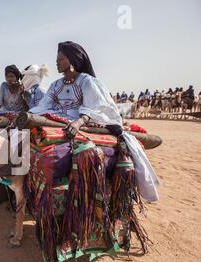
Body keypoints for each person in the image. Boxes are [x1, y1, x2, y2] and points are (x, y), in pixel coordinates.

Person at [29, 41, 158, 202]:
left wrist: (78, 122)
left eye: (61, 59)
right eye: (57, 59)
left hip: (83, 122)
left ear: (72, 61)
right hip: (58, 121)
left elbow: (96, 106)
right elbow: (43, 106)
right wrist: (27, 116)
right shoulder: (56, 85)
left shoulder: (87, 81)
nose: (57, 62)